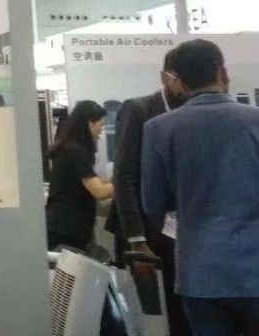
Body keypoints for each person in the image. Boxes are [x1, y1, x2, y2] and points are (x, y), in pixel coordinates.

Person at [142, 40, 259, 336]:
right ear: (222, 71)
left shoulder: (158, 129)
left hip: (200, 274)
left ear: (178, 81)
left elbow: (153, 203)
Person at [106, 47, 191, 336]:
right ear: (166, 78)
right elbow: (124, 174)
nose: (188, 87)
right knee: (148, 313)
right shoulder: (139, 109)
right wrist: (137, 238)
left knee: (179, 309)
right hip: (144, 232)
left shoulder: (194, 112)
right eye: (182, 80)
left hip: (180, 231)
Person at [45, 100, 113, 252]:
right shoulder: (76, 151)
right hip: (67, 228)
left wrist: (112, 181)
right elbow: (99, 192)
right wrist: (125, 184)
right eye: (100, 125)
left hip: (63, 225)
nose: (101, 130)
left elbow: (90, 182)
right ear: (89, 123)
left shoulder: (69, 147)